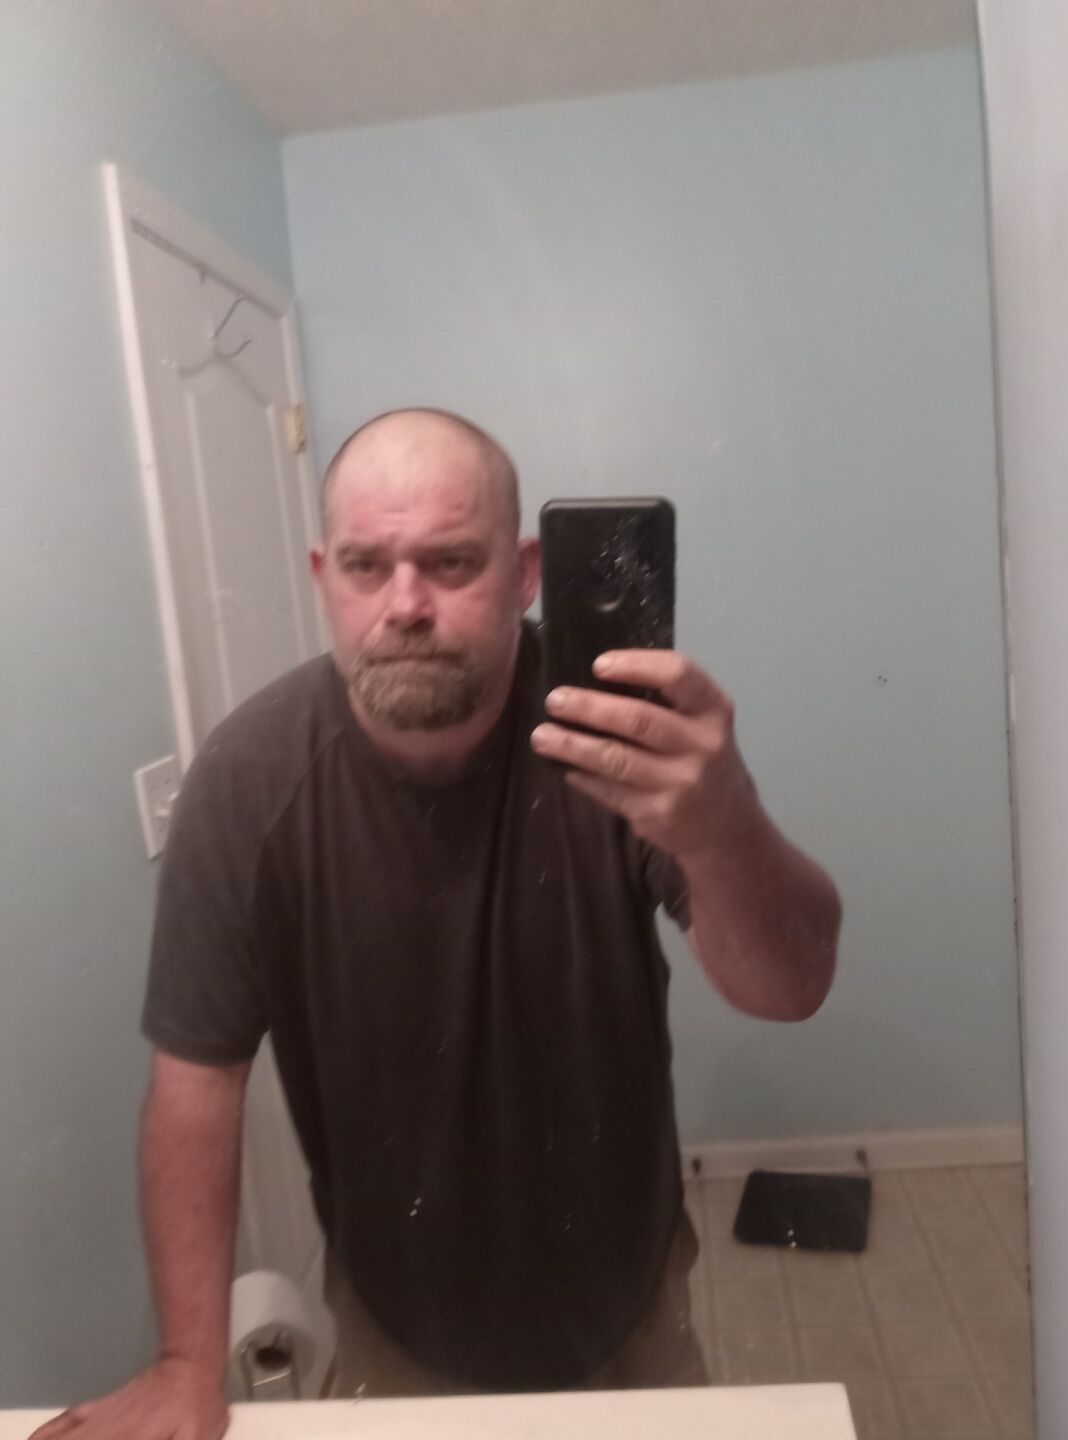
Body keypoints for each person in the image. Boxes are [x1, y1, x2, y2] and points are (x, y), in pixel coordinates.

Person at [33, 408, 841, 1440]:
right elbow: (196, 1085)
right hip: (396, 1317)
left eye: (451, 562)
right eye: (366, 566)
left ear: (524, 572)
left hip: (628, 1290)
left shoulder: (624, 744)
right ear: (324, 577)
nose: (405, 604)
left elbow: (791, 989)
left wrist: (725, 827)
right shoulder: (247, 786)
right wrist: (190, 1363)